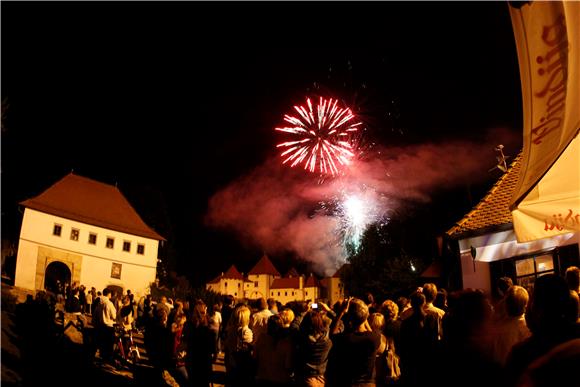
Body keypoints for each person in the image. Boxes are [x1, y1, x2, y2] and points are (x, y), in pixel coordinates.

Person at [326, 297, 381, 386]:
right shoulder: (375, 338)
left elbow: (332, 333)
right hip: (368, 384)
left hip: (349, 382)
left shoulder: (345, 339)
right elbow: (369, 331)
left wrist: (341, 312)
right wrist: (364, 314)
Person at [295, 310, 332, 387]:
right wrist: (329, 310)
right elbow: (340, 325)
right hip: (322, 378)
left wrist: (303, 311)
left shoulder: (301, 339)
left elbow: (294, 325)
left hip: (305, 377)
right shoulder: (327, 342)